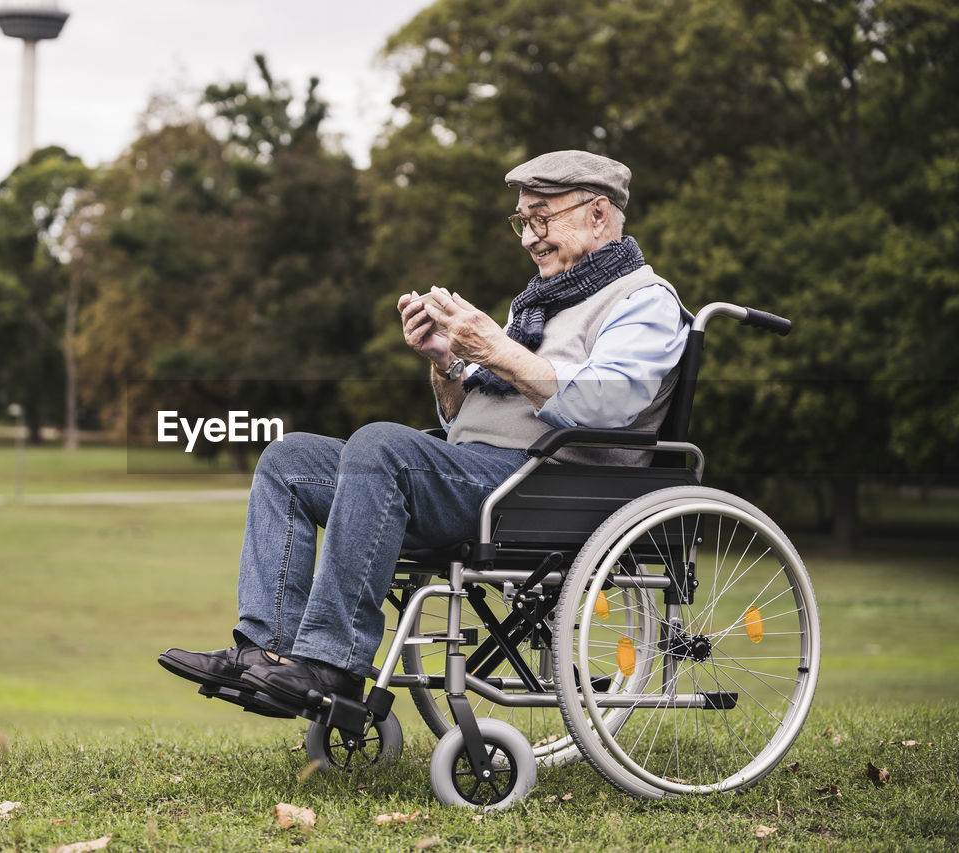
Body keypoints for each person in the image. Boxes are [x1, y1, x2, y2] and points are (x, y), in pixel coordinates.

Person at [159, 150, 689, 712]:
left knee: (380, 444)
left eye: (543, 217)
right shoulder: (540, 303)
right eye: (523, 222)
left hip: (553, 486)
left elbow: (607, 405)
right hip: (486, 475)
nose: (530, 237)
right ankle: (271, 655)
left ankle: (331, 665)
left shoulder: (643, 301)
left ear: (599, 213)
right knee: (288, 460)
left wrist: (495, 347)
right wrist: (448, 365)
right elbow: (469, 420)